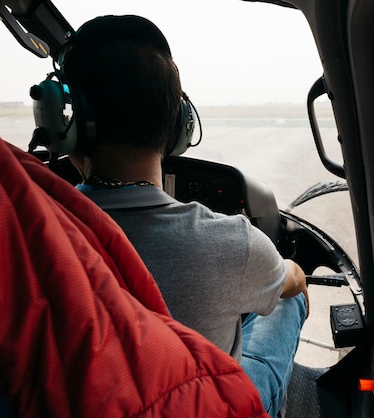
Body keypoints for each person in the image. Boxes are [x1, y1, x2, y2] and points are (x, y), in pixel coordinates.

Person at [61, 15, 308, 417]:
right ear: (176, 125)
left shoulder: (36, 231)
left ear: (70, 127)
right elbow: (291, 280)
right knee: (284, 302)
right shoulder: (235, 244)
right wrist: (286, 270)